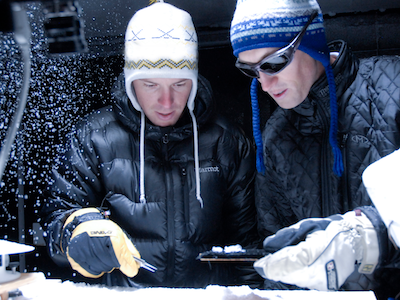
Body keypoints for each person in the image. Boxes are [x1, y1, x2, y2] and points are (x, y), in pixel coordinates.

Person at [40, 0, 259, 288]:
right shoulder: (93, 138)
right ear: (131, 83)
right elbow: (57, 221)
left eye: (179, 84)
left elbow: (247, 245)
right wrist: (77, 230)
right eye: (151, 85)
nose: (166, 102)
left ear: (194, 82)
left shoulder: (226, 140)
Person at [230, 0, 400, 298]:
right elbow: (280, 256)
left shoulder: (394, 90)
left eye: (273, 62)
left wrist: (370, 236)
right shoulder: (275, 138)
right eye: (251, 70)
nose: (265, 83)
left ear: (309, 41)